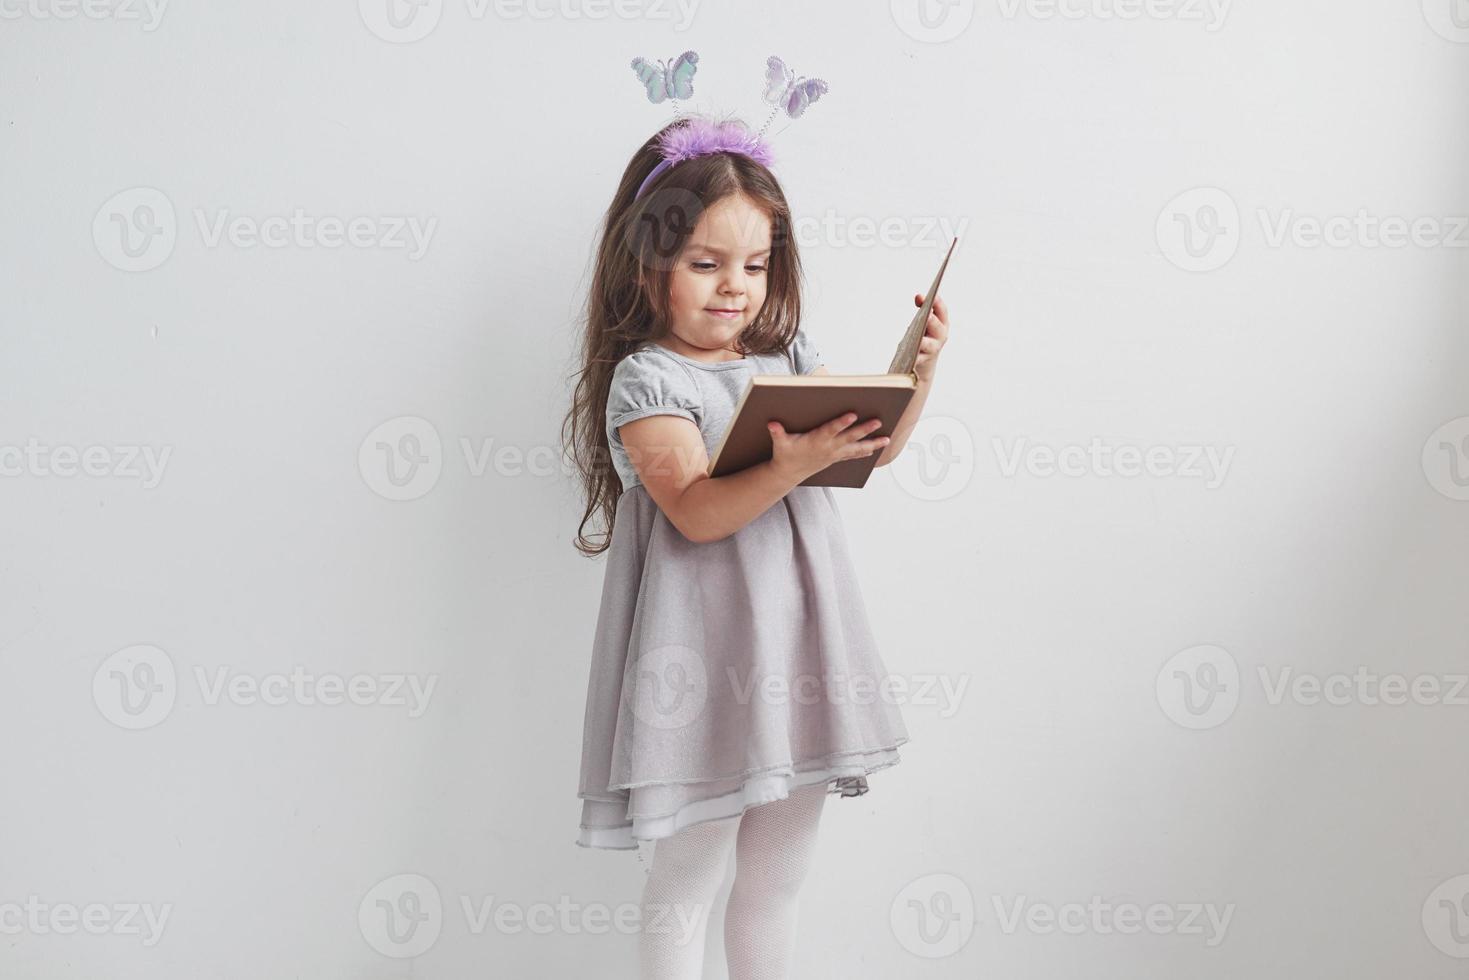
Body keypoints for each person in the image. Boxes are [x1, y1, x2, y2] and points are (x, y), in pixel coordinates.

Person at [561, 109, 950, 979]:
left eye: (755, 263)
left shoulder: (784, 356)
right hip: (696, 664)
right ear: (648, 262)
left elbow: (869, 450)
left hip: (796, 648)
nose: (735, 286)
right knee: (685, 883)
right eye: (705, 264)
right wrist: (791, 462)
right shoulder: (648, 378)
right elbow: (696, 511)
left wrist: (912, 380)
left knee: (776, 881)